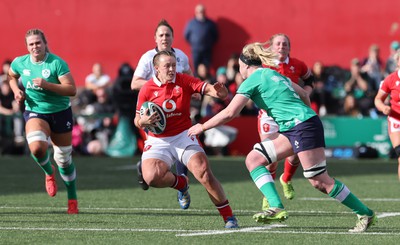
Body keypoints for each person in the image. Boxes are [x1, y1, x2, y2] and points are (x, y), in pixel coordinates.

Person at [188, 42, 377, 232]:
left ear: (245, 66)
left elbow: (230, 112)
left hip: (301, 127)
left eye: (239, 66)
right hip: (299, 126)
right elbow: (303, 93)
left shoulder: (251, 80)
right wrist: (303, 115)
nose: (240, 71)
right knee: (254, 159)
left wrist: (202, 126)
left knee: (319, 180)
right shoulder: (273, 73)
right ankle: (276, 206)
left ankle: (365, 213)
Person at [134, 50, 238, 228]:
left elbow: (207, 89)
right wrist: (142, 121)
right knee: (151, 177)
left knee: (204, 173)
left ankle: (229, 217)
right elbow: (137, 119)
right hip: (158, 139)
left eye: (174, 65)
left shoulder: (184, 80)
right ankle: (181, 184)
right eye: (167, 66)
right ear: (156, 68)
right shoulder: (147, 89)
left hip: (183, 135)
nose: (172, 69)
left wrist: (220, 92)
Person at [8, 29, 78, 214]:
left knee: (63, 158)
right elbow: (11, 75)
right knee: (37, 148)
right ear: (27, 47)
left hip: (60, 113)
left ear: (45, 43)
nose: (35, 47)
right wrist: (16, 90)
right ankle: (49, 172)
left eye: (38, 43)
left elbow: (71, 90)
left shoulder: (56, 63)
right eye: (31, 44)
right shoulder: (20, 62)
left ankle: (72, 197)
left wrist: (47, 85)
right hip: (35, 111)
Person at [131, 19, 194, 208]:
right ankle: (150, 171)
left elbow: (189, 76)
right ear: (155, 38)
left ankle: (182, 185)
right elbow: (134, 83)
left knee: (183, 150)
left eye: (168, 35)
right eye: (161, 35)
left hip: (178, 110)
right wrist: (158, 85)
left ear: (173, 37)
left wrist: (194, 91)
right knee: (157, 154)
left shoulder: (181, 56)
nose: (165, 38)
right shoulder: (148, 57)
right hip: (155, 115)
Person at [259, 34, 315, 211]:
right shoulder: (264, 64)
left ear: (289, 47)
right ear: (271, 46)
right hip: (269, 115)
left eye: (285, 44)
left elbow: (310, 80)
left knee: (295, 153)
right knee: (270, 158)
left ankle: (286, 179)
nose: (281, 46)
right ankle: (269, 197)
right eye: (278, 43)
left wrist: (305, 93)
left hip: (291, 114)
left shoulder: (298, 64)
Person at [375, 49, 400, 181]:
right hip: (397, 121)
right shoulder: (391, 79)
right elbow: (378, 99)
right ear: (398, 61)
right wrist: (383, 107)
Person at [184, 4, 218, 74]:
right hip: (196, 51)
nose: (201, 13)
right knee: (195, 69)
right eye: (199, 12)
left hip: (207, 50)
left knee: (207, 69)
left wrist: (209, 43)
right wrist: (194, 43)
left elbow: (215, 35)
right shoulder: (191, 23)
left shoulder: (210, 23)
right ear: (196, 12)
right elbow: (186, 35)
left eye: (202, 11)